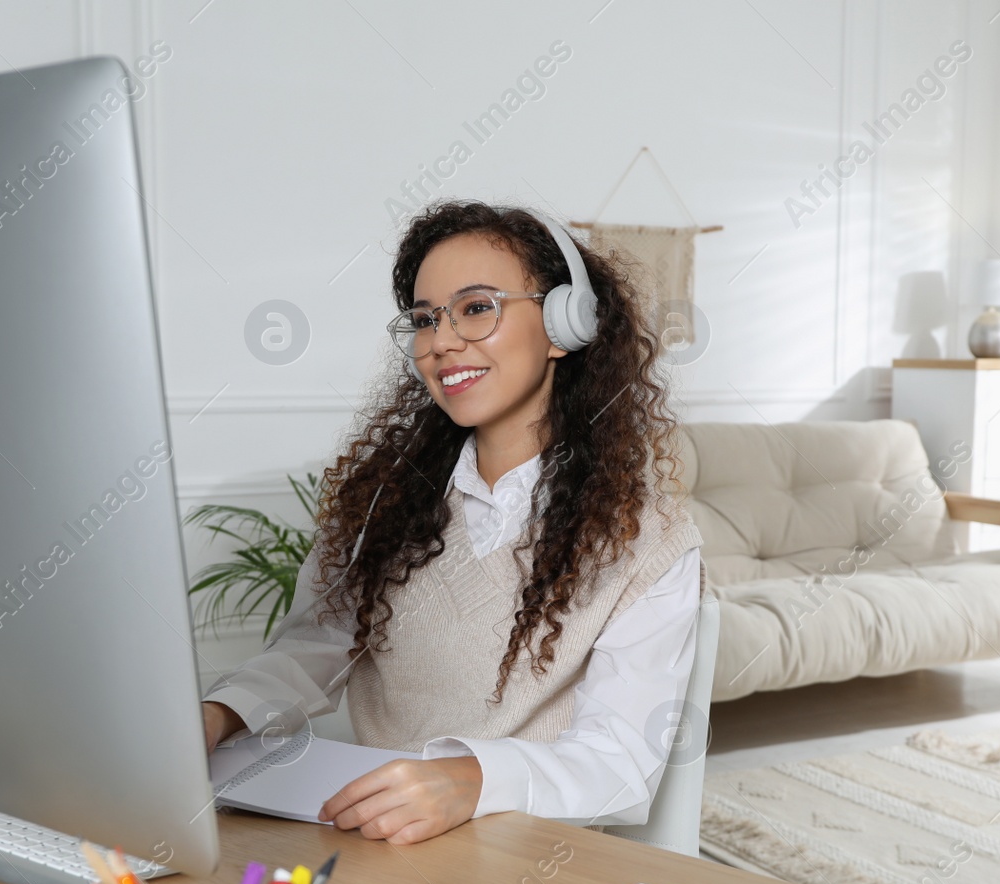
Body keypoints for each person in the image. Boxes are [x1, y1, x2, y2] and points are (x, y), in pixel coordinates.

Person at [201, 199, 708, 844]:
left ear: (564, 326)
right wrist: (218, 714)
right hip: (372, 838)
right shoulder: (386, 504)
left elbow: (620, 762)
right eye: (423, 319)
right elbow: (313, 648)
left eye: (476, 308)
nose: (439, 342)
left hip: (529, 858)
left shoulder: (651, 544)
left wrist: (473, 780)